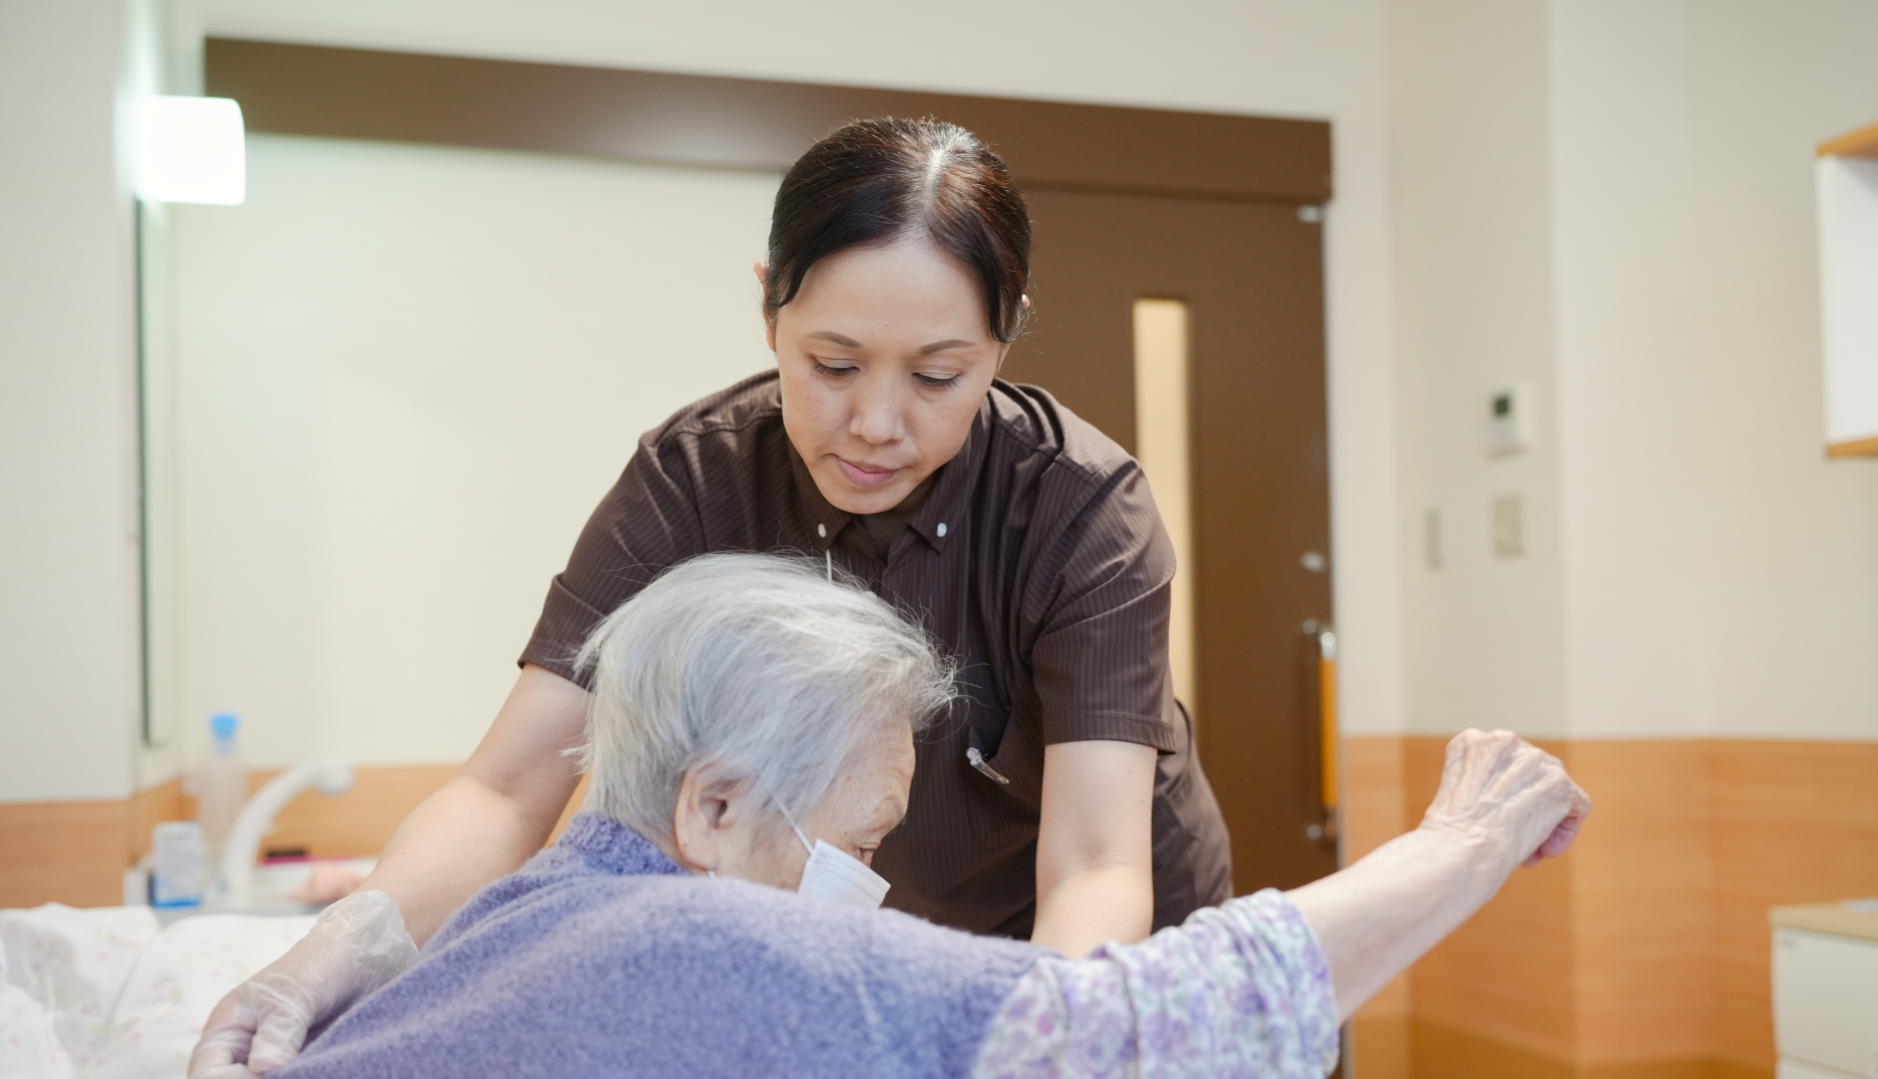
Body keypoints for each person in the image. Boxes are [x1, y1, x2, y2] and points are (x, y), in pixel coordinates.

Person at [195, 116, 1243, 1074]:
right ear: (768, 306)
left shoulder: (1080, 512)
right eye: (832, 362)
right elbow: (508, 786)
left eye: (937, 376)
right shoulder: (696, 480)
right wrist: (334, 950)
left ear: (1004, 340)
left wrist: (1046, 1039)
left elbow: (1096, 861)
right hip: (854, 946)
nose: (877, 421)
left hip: (1085, 945)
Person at [236, 553, 1589, 1079]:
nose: (871, 887)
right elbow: (1149, 1019)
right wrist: (1460, 842)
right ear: (714, 805)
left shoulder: (522, 912)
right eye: (865, 839)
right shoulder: (699, 943)